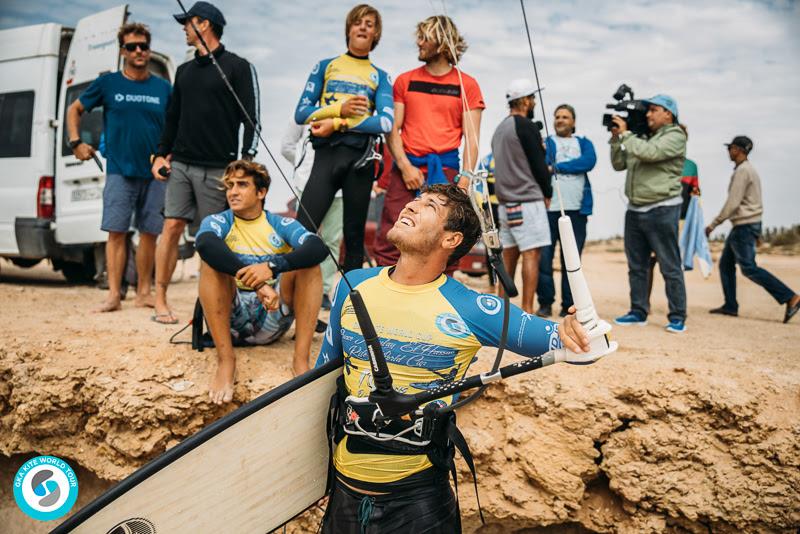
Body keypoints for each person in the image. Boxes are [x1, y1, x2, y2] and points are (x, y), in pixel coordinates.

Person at [315, 183, 591, 533]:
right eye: (416, 199)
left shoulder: (472, 308)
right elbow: (319, 384)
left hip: (418, 504)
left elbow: (586, 345)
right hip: (343, 497)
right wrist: (313, 480)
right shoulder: (352, 284)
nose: (412, 206)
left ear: (451, 240)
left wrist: (576, 328)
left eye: (430, 205)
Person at [150, 1, 261, 324]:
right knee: (171, 226)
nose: (184, 28)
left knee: (210, 240)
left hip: (219, 168)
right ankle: (160, 300)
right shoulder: (184, 71)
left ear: (204, 24)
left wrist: (244, 163)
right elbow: (172, 119)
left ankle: (207, 308)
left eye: (188, 22)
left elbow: (251, 120)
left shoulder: (238, 67)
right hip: (181, 164)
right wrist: (160, 154)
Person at [195, 160, 327, 403]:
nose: (233, 192)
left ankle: (301, 360)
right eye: (230, 185)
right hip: (231, 318)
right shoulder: (221, 221)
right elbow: (204, 244)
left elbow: (317, 248)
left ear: (261, 192)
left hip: (272, 316)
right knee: (209, 264)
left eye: (242, 185)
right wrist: (257, 282)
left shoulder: (279, 224)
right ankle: (226, 362)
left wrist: (272, 267)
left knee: (310, 266)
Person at [66, 23, 171, 313]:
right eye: (132, 46)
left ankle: (143, 293)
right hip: (119, 171)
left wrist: (169, 156)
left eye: (144, 46)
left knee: (150, 233)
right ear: (122, 51)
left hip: (154, 175)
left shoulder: (163, 88)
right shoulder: (108, 83)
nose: (139, 51)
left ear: (149, 50)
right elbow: (74, 110)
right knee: (116, 232)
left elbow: (175, 126)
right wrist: (76, 142)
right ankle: (113, 295)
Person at [373, 15, 485, 269]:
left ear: (442, 43)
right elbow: (393, 130)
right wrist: (404, 166)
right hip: (407, 168)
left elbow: (472, 138)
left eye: (425, 37)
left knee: (445, 237)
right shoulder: (405, 80)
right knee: (392, 235)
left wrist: (465, 180)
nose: (419, 43)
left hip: (446, 170)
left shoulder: (467, 85)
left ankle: (439, 301)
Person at [293, 4, 393, 273]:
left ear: (376, 35)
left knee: (354, 237)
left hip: (358, 161)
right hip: (326, 156)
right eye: (358, 22)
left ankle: (348, 308)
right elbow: (302, 113)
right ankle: (290, 303)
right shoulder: (325, 66)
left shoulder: (381, 77)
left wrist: (336, 122)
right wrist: (341, 109)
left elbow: (385, 122)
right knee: (302, 231)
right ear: (348, 28)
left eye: (370, 24)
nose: (363, 27)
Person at [610, 94, 688, 333]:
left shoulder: (675, 135)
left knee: (669, 265)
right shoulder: (640, 137)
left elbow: (651, 153)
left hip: (663, 208)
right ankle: (638, 311)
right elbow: (619, 164)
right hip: (635, 209)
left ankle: (677, 316)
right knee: (637, 265)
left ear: (669, 113)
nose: (647, 114)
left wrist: (626, 134)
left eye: (654, 110)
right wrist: (616, 140)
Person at [705, 136, 800, 323]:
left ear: (738, 150)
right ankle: (730, 305)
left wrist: (713, 224)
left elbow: (733, 202)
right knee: (726, 265)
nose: (728, 152)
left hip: (744, 225)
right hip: (746, 225)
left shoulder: (743, 171)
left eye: (730, 148)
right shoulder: (748, 170)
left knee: (748, 267)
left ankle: (790, 297)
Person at [490, 79, 551, 314]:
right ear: (525, 101)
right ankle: (526, 311)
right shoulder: (525, 126)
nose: (534, 102)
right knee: (531, 254)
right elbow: (538, 165)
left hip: (506, 204)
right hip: (527, 201)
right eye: (533, 98)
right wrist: (547, 192)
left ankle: (502, 313)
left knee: (508, 257)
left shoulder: (499, 129)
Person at [537, 103, 596, 318]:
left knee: (571, 260)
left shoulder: (584, 142)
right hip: (549, 209)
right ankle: (545, 303)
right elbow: (544, 164)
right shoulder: (547, 142)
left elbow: (589, 162)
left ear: (573, 121)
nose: (560, 120)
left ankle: (568, 306)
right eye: (557, 116)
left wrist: (559, 167)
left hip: (577, 210)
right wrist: (555, 165)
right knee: (544, 259)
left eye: (565, 117)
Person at [281, 121, 342, 309]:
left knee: (332, 239)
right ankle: (296, 287)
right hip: (307, 182)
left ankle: (323, 290)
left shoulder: (350, 110)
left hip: (341, 187)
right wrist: (302, 165)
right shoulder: (305, 110)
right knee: (303, 237)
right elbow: (287, 147)